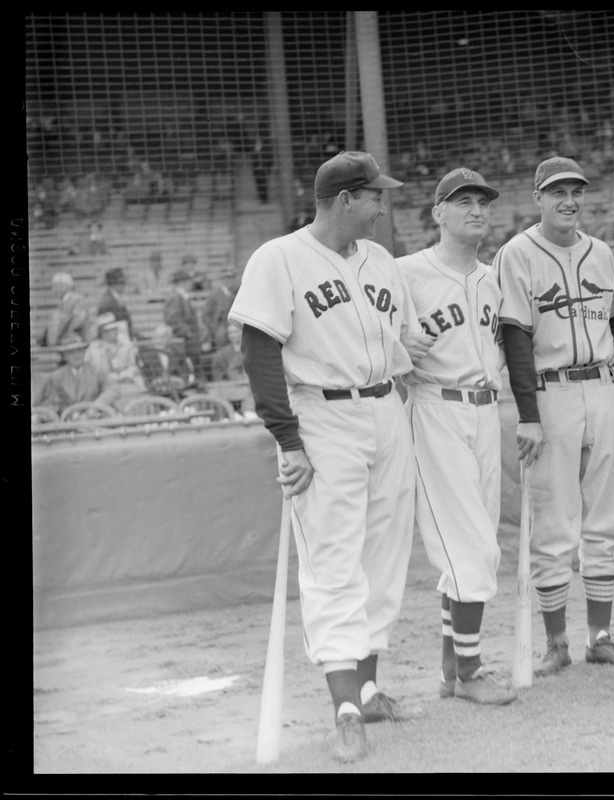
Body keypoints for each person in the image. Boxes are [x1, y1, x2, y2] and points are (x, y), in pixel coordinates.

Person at [227, 150, 434, 764]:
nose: (382, 206)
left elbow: (397, 338)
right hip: (322, 415)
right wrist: (289, 440)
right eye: (374, 196)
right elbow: (259, 352)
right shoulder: (279, 258)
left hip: (384, 409)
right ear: (345, 200)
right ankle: (344, 709)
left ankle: (369, 690)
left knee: (386, 552)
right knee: (334, 563)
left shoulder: (379, 261)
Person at [493, 155, 614, 676]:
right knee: (554, 523)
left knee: (607, 518)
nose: (569, 200)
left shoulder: (600, 251)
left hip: (603, 388)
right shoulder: (515, 254)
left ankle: (600, 636)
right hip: (550, 393)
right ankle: (557, 643)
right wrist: (527, 414)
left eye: (576, 191)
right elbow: (514, 336)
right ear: (538, 198)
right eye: (557, 192)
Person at [396, 168, 517, 706]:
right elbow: (370, 331)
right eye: (462, 201)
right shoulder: (405, 273)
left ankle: (451, 670)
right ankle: (470, 670)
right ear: (437, 213)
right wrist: (399, 344)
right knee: (472, 547)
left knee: (470, 544)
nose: (475, 210)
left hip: (487, 412)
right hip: (436, 408)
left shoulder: (494, 277)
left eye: (482, 202)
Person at [86, 313, 146, 408]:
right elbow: (91, 370)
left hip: (126, 380)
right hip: (104, 385)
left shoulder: (126, 345)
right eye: (111, 330)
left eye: (115, 329)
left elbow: (133, 366)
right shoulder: (93, 349)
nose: (116, 332)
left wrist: (123, 375)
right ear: (103, 333)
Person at [34, 335, 104, 415]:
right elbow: (50, 402)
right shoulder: (56, 377)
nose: (76, 355)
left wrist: (95, 406)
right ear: (64, 356)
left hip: (93, 419)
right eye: (71, 352)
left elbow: (112, 389)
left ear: (84, 352)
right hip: (66, 422)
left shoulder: (96, 371)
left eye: (79, 351)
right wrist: (69, 413)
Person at [163, 263, 204, 372]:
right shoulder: (175, 297)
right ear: (183, 282)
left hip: (189, 340)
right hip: (184, 340)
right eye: (189, 280)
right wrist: (188, 332)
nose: (191, 283)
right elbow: (172, 319)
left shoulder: (183, 296)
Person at [201, 266, 241, 375]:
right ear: (222, 280)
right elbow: (205, 316)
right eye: (226, 278)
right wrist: (215, 328)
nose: (229, 280)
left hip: (236, 327)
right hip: (221, 331)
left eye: (232, 277)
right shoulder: (215, 295)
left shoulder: (238, 293)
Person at [40, 272, 90, 349]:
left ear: (66, 286)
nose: (53, 290)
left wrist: (65, 336)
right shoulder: (65, 301)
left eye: (56, 286)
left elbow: (79, 321)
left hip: (75, 342)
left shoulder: (77, 299)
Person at [96, 267, 133, 339]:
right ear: (113, 283)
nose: (124, 286)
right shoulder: (107, 301)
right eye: (122, 282)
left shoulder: (115, 298)